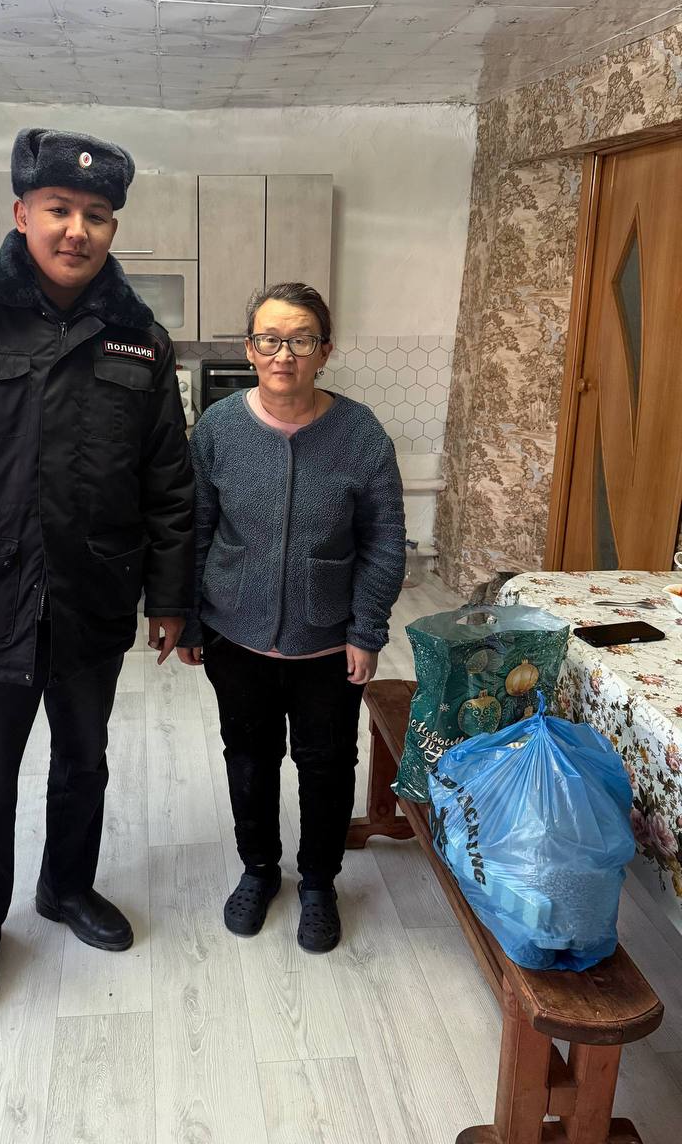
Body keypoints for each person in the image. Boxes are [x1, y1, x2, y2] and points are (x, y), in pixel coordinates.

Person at [0, 128, 194, 1020]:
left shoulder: (139, 339)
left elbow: (169, 481)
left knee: (83, 762)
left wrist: (170, 596)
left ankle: (66, 887)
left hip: (93, 594)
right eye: (59, 209)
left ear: (113, 227)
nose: (77, 230)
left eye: (97, 215)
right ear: (22, 214)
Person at [177, 283, 405, 952]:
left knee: (326, 764)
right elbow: (195, 527)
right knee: (249, 759)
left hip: (327, 644)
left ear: (324, 351)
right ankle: (258, 869)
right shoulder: (218, 429)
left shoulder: (360, 433)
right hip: (235, 636)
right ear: (250, 349)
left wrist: (366, 629)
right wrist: (190, 619)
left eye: (301, 340)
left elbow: (385, 539)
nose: (284, 354)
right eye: (270, 339)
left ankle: (318, 883)